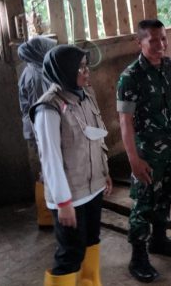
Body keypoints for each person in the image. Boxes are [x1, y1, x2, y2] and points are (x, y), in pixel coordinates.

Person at [117, 19, 171, 283]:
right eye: (153, 40)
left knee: (168, 193)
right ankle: (138, 257)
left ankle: (159, 239)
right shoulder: (131, 77)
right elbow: (125, 121)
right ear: (139, 42)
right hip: (147, 153)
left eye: (163, 38)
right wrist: (133, 158)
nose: (160, 45)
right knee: (144, 202)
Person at [30, 45, 112, 286]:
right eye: (80, 68)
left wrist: (104, 172)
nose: (86, 72)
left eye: (87, 66)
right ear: (63, 70)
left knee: (91, 241)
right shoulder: (49, 107)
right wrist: (63, 202)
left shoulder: (85, 95)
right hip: (70, 197)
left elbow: (97, 138)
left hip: (93, 187)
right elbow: (51, 159)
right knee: (70, 254)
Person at [17, 36, 57, 228]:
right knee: (48, 172)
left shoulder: (33, 70)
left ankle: (48, 215)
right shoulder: (37, 75)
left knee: (47, 170)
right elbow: (40, 108)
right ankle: (47, 217)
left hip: (37, 128)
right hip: (40, 129)